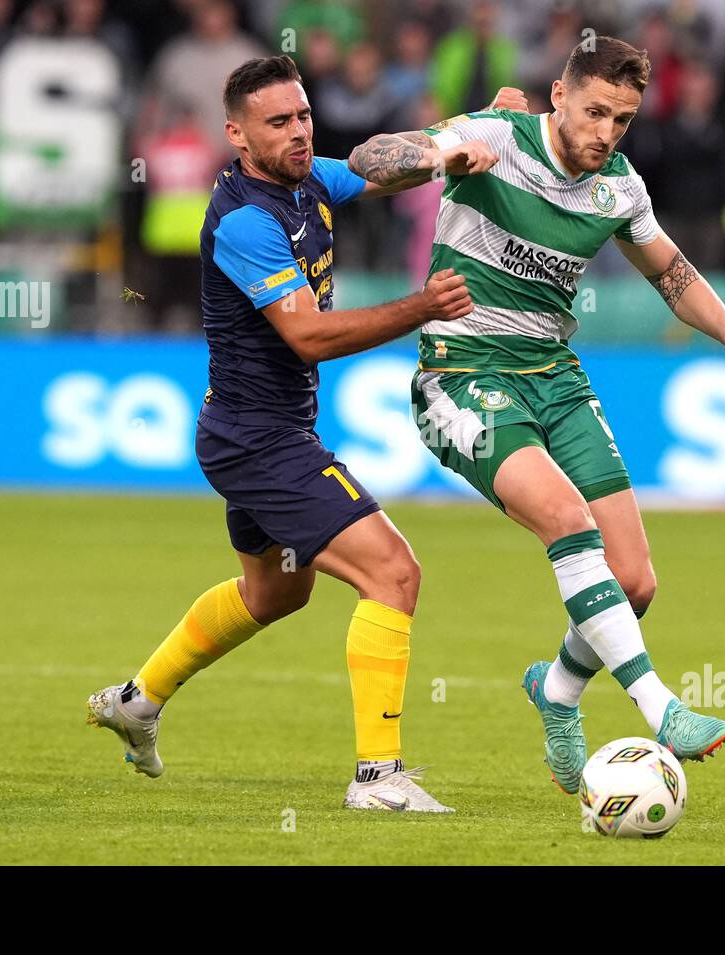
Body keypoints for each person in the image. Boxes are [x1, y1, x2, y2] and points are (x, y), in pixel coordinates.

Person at [349, 37, 725, 795]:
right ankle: (659, 705)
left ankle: (557, 691)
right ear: (558, 96)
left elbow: (670, 268)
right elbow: (371, 160)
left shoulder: (619, 188)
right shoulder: (495, 136)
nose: (605, 132)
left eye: (623, 120)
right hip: (462, 379)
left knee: (633, 581)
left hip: (556, 381)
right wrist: (442, 158)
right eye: (594, 111)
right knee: (569, 521)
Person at [87, 55, 500, 813]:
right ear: (237, 136)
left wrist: (470, 133)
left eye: (304, 115)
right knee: (395, 573)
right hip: (259, 439)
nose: (299, 132)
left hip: (256, 430)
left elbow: (382, 169)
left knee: (274, 592)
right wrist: (422, 305)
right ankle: (378, 777)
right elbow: (307, 338)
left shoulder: (308, 178)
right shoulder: (247, 220)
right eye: (279, 123)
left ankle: (138, 698)